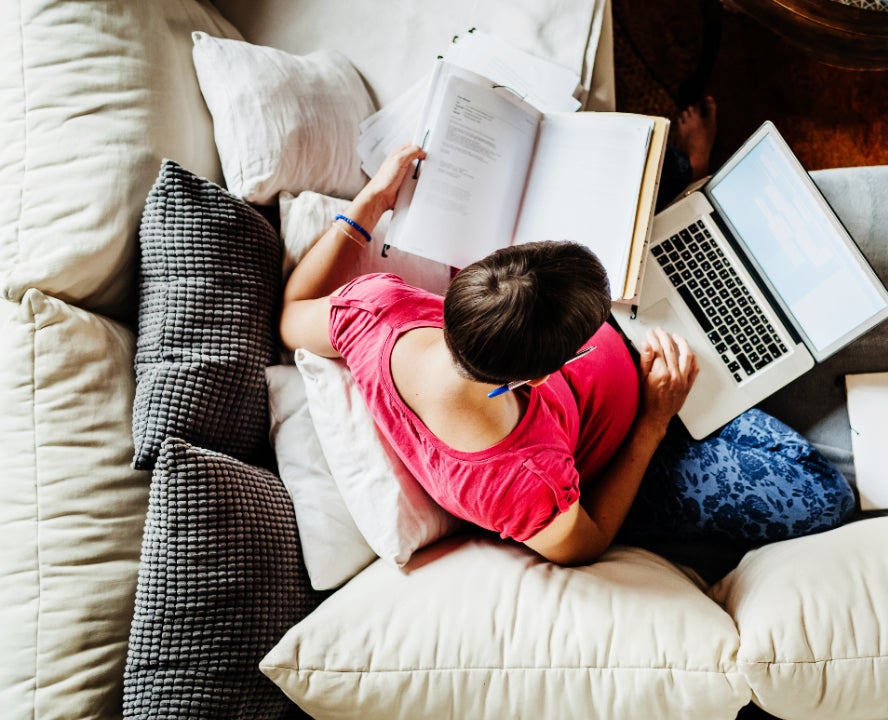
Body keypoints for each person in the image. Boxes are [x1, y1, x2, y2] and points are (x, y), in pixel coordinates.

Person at [280, 108, 855, 567]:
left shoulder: (377, 308)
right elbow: (589, 542)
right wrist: (656, 416)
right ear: (534, 378)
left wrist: (371, 201)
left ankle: (686, 171)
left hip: (602, 340)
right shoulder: (518, 480)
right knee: (821, 498)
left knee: (639, 166)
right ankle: (687, 176)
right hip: (642, 441)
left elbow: (292, 314)